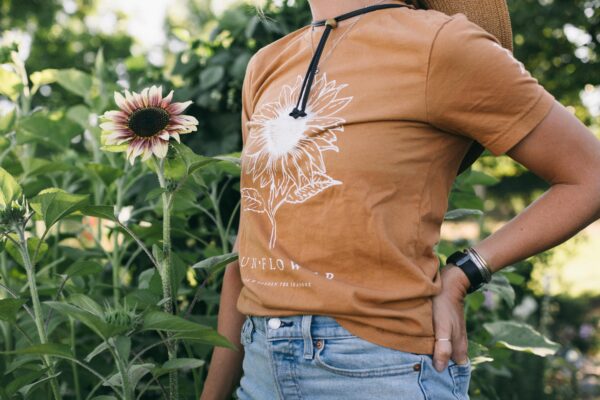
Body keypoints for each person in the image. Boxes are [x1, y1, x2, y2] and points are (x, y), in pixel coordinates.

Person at [200, 0, 600, 399]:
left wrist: (464, 273)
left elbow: (590, 176)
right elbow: (249, 244)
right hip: (260, 370)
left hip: (378, 369)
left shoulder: (442, 44)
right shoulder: (266, 64)